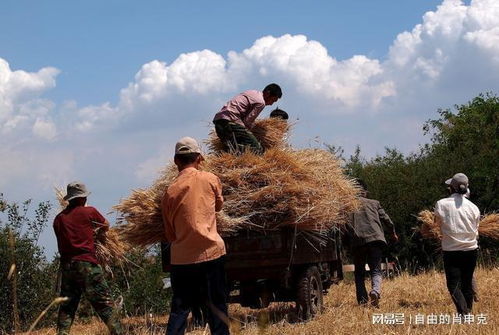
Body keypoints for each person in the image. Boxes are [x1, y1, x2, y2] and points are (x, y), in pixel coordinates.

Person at [162, 137, 229, 335]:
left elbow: (169, 233)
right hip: (211, 253)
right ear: (200, 158)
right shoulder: (210, 179)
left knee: (180, 309)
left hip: (181, 259)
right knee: (217, 306)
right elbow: (218, 206)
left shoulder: (169, 191)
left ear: (176, 161)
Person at [53, 182, 123, 335]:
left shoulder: (58, 219)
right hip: (87, 265)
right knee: (105, 303)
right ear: (82, 198)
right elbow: (106, 225)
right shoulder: (89, 212)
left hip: (67, 268)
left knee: (67, 307)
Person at [346, 180, 398, 307]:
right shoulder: (374, 203)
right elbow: (387, 220)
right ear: (365, 192)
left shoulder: (348, 207)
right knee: (375, 269)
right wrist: (393, 233)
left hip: (358, 242)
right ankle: (375, 291)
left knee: (359, 273)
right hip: (375, 240)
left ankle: (362, 302)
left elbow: (344, 227)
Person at [434, 173, 480, 315]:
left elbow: (436, 224)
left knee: (453, 284)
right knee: (466, 283)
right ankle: (468, 313)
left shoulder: (441, 204)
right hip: (471, 249)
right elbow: (476, 229)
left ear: (451, 188)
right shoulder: (474, 207)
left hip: (451, 250)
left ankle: (464, 313)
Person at [213, 83, 282, 154]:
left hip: (219, 122)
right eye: (273, 100)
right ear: (268, 93)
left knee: (232, 147)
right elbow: (247, 122)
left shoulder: (251, 92)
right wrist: (254, 133)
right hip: (231, 122)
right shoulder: (261, 102)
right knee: (257, 149)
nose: (271, 104)